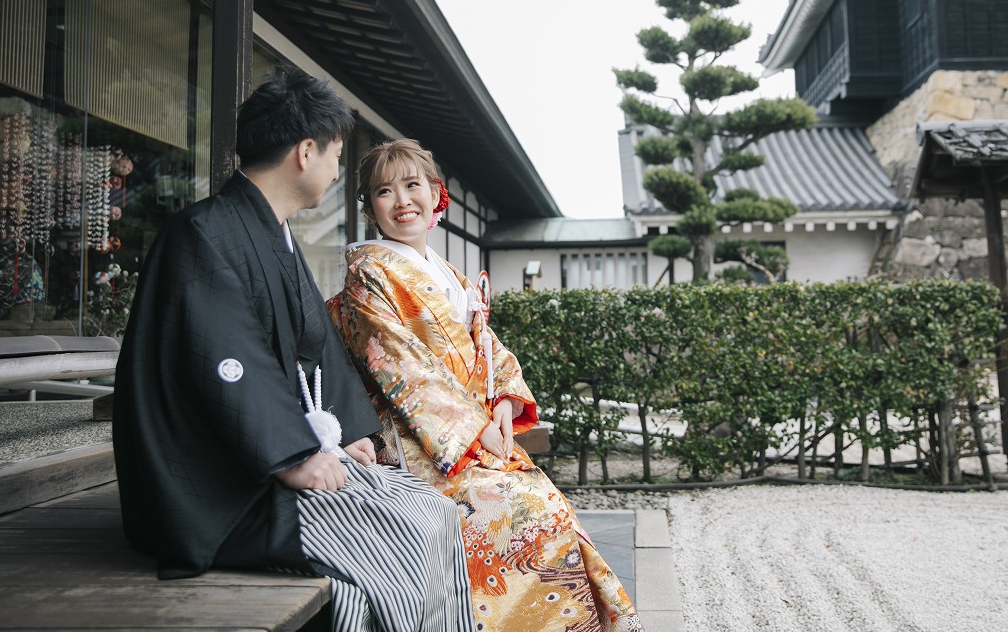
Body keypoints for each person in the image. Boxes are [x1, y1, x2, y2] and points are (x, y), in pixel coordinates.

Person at [112, 70, 473, 632]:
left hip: (258, 461)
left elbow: (316, 342)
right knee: (403, 544)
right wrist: (293, 457)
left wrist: (351, 431)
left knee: (435, 511)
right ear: (306, 152)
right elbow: (228, 360)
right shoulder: (202, 234)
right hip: (219, 488)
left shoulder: (267, 230)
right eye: (335, 156)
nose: (335, 172)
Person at [328, 139, 645, 632]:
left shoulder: (446, 272)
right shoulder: (368, 272)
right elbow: (404, 366)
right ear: (370, 208)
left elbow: (486, 345)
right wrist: (476, 430)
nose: (403, 200)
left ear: (437, 194)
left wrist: (502, 401)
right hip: (418, 442)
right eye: (385, 192)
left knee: (549, 507)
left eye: (413, 185)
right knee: (528, 510)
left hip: (470, 433)